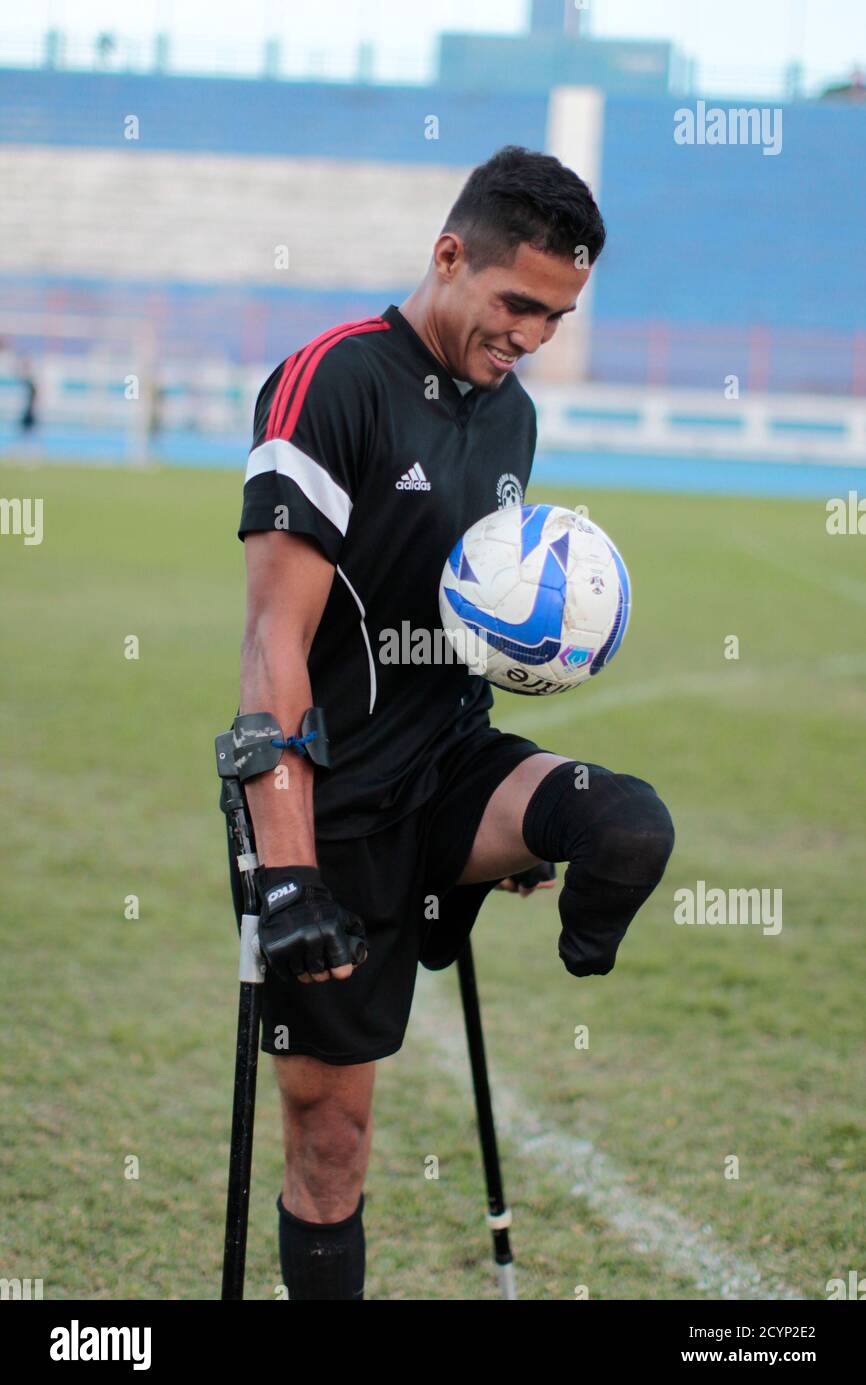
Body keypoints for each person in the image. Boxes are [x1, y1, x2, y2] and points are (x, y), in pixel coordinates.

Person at [233, 144, 675, 1300]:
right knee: (330, 1147)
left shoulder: (510, 418)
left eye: (557, 315)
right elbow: (273, 642)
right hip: (332, 804)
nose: (532, 335)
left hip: (453, 763)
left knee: (627, 827)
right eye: (517, 302)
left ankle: (497, 872)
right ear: (446, 256)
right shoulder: (329, 381)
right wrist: (283, 874)